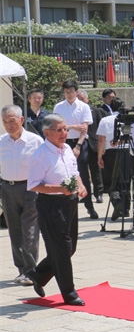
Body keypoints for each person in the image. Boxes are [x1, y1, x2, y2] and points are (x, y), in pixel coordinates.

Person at [26, 113, 88, 306]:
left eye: (65, 129)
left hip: (70, 202)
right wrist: (61, 188)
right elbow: (33, 185)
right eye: (59, 130)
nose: (64, 133)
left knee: (69, 248)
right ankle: (69, 293)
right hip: (50, 205)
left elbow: (74, 172)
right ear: (47, 132)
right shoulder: (40, 155)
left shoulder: (67, 148)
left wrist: (81, 185)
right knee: (61, 250)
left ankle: (38, 273)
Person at [0, 105, 43, 286]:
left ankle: (31, 270)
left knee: (30, 230)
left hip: (30, 189)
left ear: (22, 120)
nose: (9, 125)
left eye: (12, 121)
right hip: (8, 189)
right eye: (5, 121)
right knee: (14, 231)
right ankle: (21, 269)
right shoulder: (1, 141)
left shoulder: (35, 141)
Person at [53, 80, 98, 219]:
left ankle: (89, 206)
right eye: (66, 92)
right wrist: (73, 127)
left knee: (83, 174)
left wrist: (78, 146)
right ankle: (67, 205)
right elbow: (59, 127)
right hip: (63, 141)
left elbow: (84, 129)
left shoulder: (83, 107)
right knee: (64, 173)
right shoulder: (59, 107)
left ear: (76, 92)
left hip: (80, 142)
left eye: (71, 92)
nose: (69, 94)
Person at [96, 97, 130, 221]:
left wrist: (99, 156)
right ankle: (126, 209)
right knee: (125, 180)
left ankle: (117, 202)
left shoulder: (105, 120)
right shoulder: (128, 120)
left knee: (111, 180)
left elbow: (101, 139)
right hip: (127, 151)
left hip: (111, 152)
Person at [77, 89, 108, 204]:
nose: (80, 101)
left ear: (87, 99)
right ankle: (85, 195)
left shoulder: (96, 111)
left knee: (96, 171)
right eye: (78, 99)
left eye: (82, 99)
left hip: (94, 144)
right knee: (82, 171)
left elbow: (102, 129)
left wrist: (103, 146)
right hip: (81, 145)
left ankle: (98, 193)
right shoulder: (76, 112)